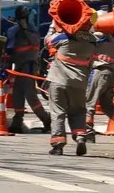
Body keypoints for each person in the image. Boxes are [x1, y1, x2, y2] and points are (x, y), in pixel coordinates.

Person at [45, 19, 96, 156]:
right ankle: (80, 137)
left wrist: (53, 25)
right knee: (78, 111)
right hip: (79, 83)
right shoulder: (92, 41)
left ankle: (58, 144)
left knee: (58, 112)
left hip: (58, 80)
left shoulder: (62, 38)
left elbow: (47, 41)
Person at [83, 12, 114, 142]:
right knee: (107, 106)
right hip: (110, 73)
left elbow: (85, 39)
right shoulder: (111, 38)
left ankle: (88, 132)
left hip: (99, 71)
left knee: (89, 103)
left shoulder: (98, 36)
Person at [3, 6, 51, 133]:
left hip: (27, 67)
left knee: (30, 96)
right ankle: (17, 122)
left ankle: (46, 119)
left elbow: (9, 50)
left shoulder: (18, 31)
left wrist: (5, 67)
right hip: (23, 67)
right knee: (18, 94)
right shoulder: (31, 31)